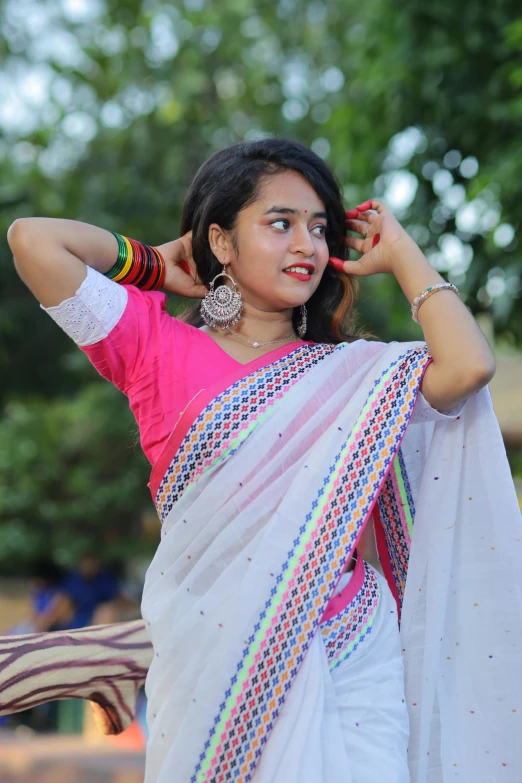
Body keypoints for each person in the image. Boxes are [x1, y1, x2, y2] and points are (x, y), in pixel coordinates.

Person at [7, 138, 521, 782]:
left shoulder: (351, 372)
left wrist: (404, 257)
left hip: (352, 653)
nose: (305, 244)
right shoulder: (153, 346)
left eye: (318, 227)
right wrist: (155, 266)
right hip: (213, 657)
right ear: (221, 242)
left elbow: (469, 365)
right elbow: (32, 240)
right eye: (279, 224)